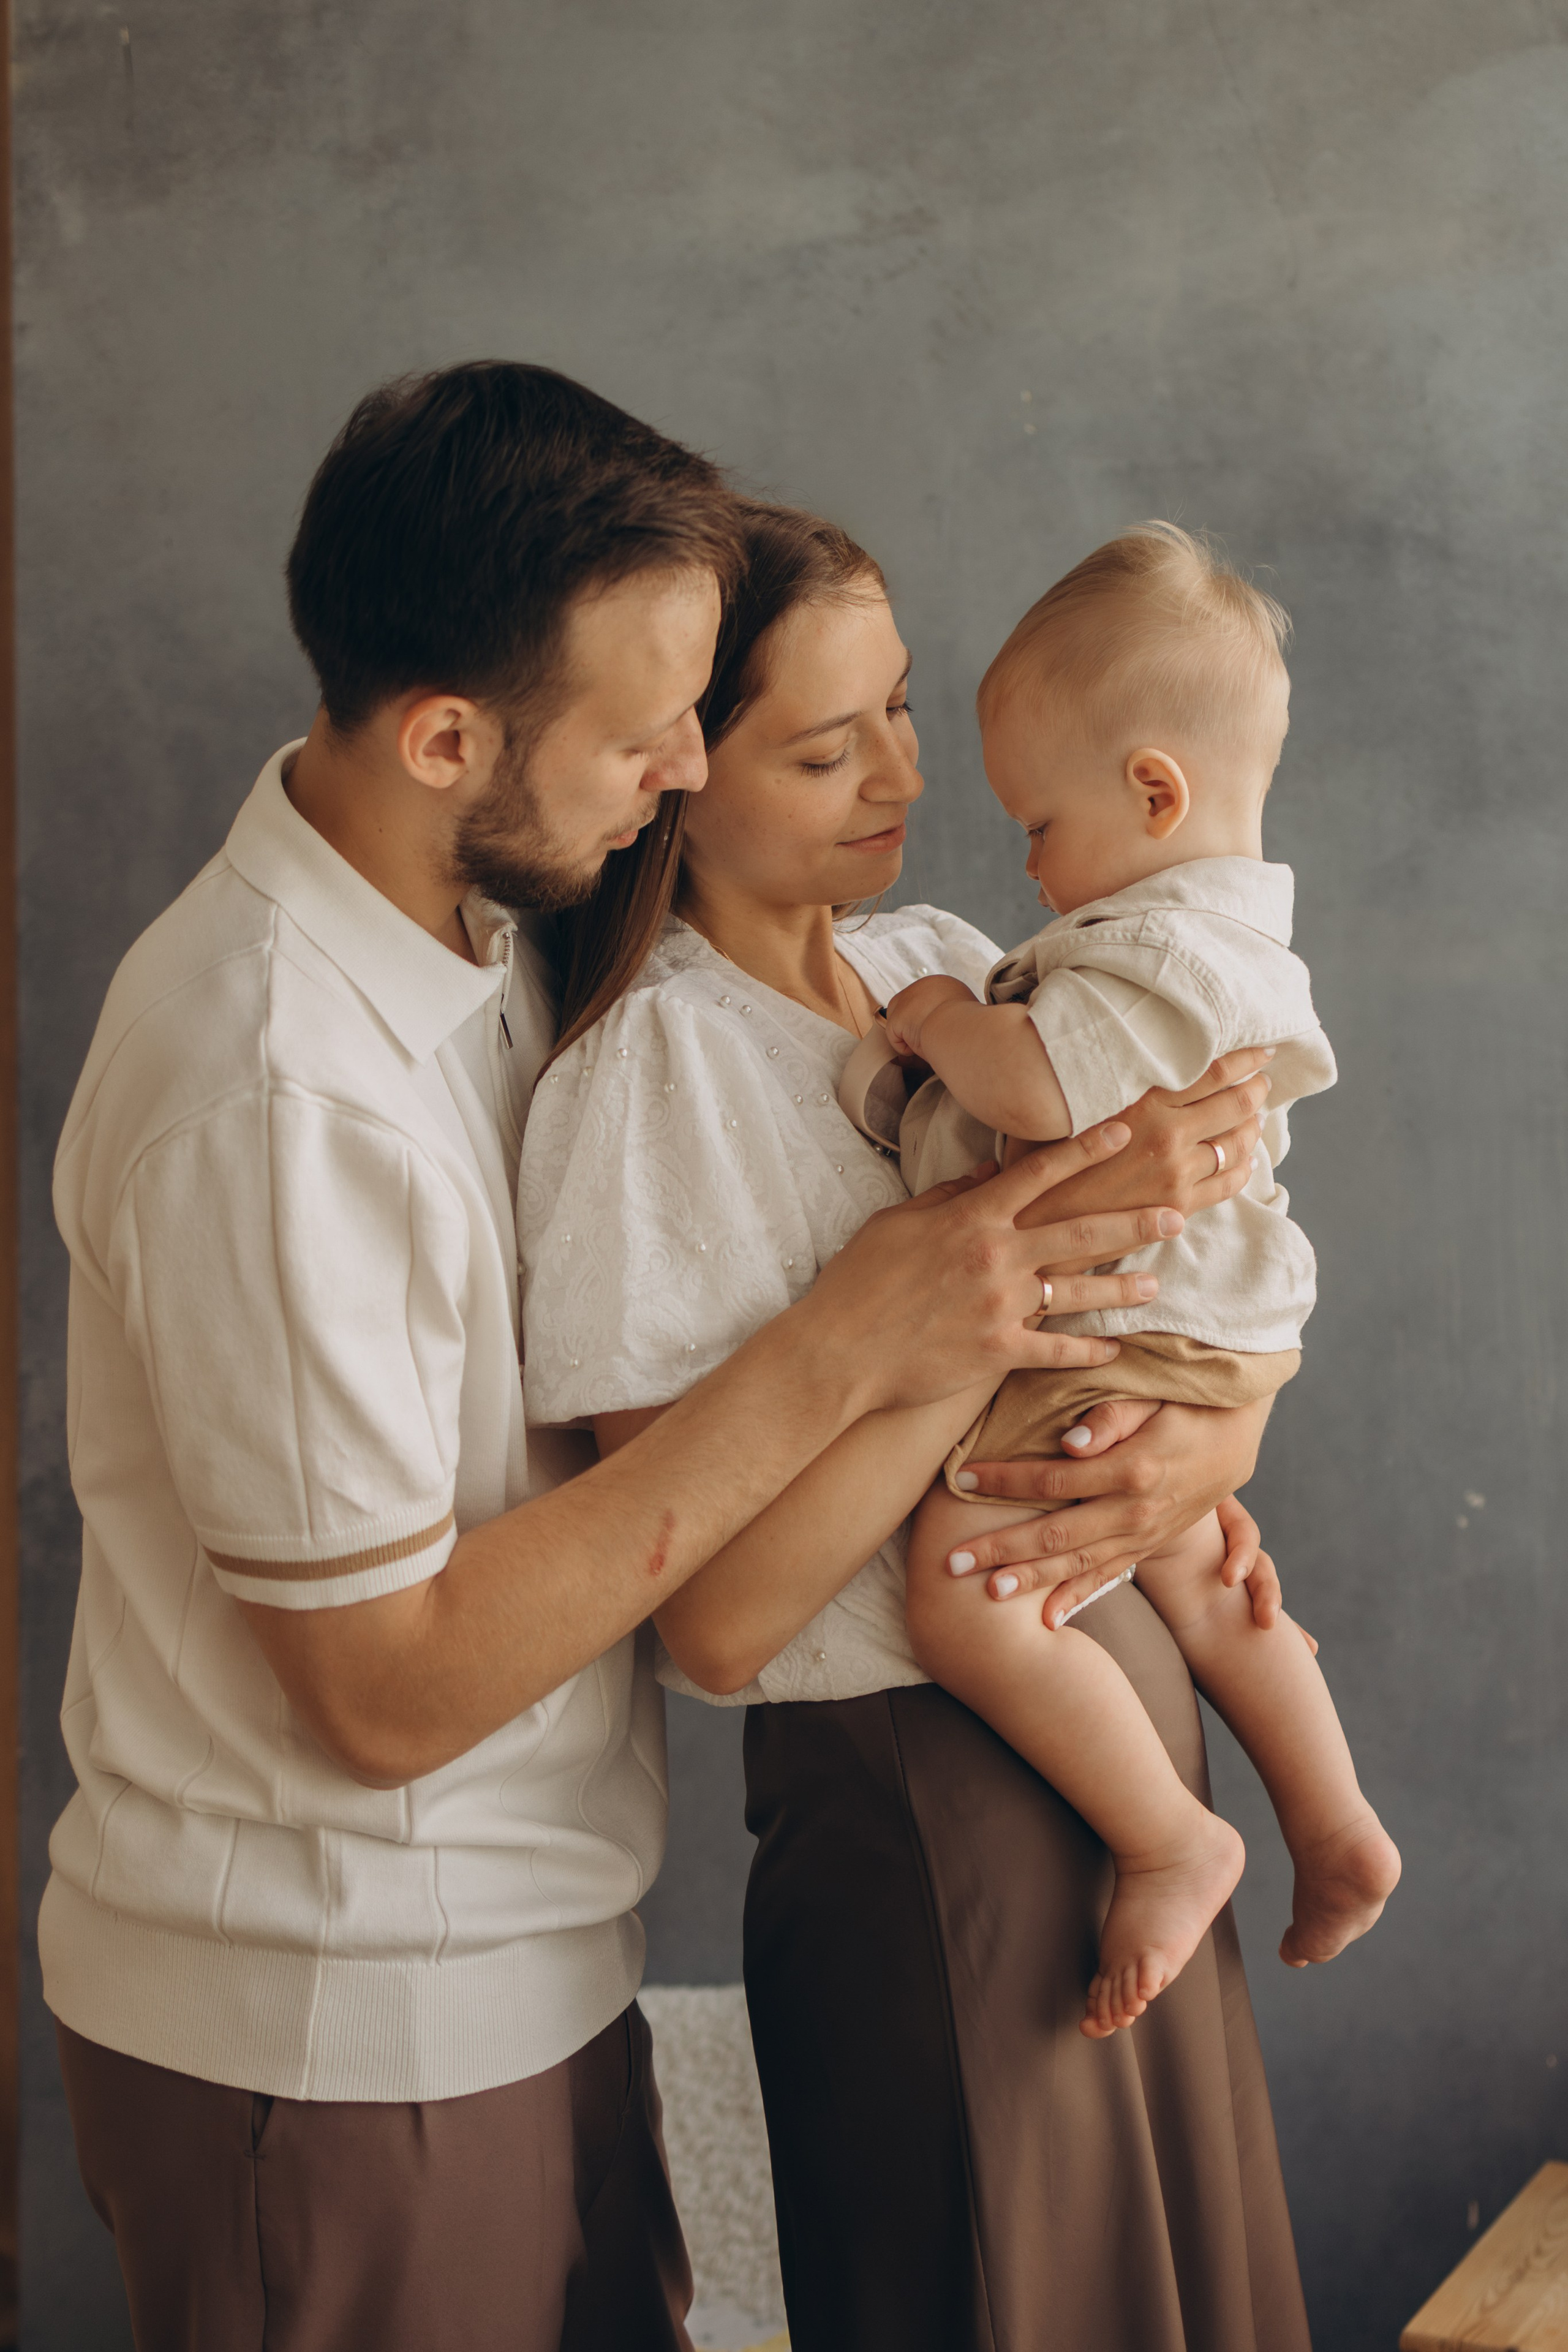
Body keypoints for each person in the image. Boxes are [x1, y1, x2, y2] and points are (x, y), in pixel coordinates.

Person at [42, 366, 1146, 2352]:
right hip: (340, 2028)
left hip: (522, 1976)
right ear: (447, 733)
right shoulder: (277, 1086)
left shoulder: (469, 934)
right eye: (646, 735)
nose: (680, 774)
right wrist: (846, 1346)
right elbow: (385, 1694)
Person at [520, 500, 1309, 2352]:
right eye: (823, 745)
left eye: (895, 716)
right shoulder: (649, 1079)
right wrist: (989, 1287)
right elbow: (713, 1624)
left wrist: (1226, 1434)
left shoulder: (962, 961)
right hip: (920, 1814)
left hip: (1128, 1772)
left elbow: (1217, 1269)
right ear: (679, 772)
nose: (897, 776)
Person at [840, 524, 1401, 2040]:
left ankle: (1173, 1838)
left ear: (1152, 791)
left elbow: (1035, 1090)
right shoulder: (1210, 939)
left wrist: (946, 1013)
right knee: (1200, 1571)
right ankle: (1334, 1818)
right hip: (1188, 1337)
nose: (1022, 861)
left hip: (1126, 1321)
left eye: (1035, 823)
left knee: (967, 1600)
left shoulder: (1162, 951)